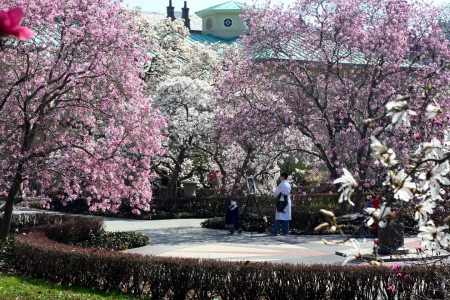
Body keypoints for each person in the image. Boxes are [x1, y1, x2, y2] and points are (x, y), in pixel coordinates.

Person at [269, 171, 291, 236]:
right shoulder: (288, 184)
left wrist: (273, 190)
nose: (279, 177)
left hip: (282, 201)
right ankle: (285, 231)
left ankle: (274, 231)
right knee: (286, 217)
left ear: (283, 177)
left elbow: (275, 194)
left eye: (280, 176)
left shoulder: (282, 184)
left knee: (278, 217)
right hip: (287, 201)